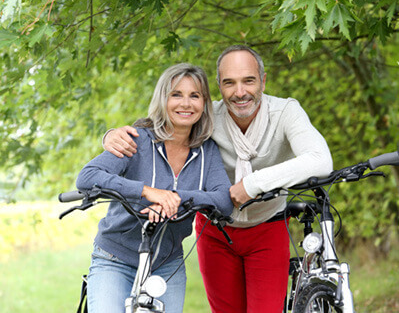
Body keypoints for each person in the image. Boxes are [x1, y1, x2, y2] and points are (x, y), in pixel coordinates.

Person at [102, 45, 333, 312]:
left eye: (249, 80)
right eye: (229, 83)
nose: (240, 92)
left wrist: (252, 185)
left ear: (263, 80)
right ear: (219, 86)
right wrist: (110, 136)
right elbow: (159, 129)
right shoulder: (206, 116)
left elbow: (320, 160)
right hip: (215, 231)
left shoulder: (285, 113)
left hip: (267, 228)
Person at [76, 63, 234, 313]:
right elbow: (87, 177)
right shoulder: (137, 140)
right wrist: (148, 192)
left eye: (195, 95)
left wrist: (175, 198)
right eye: (176, 94)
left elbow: (223, 201)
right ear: (163, 99)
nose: (186, 103)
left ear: (204, 103)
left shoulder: (208, 150)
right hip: (115, 259)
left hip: (167, 265)